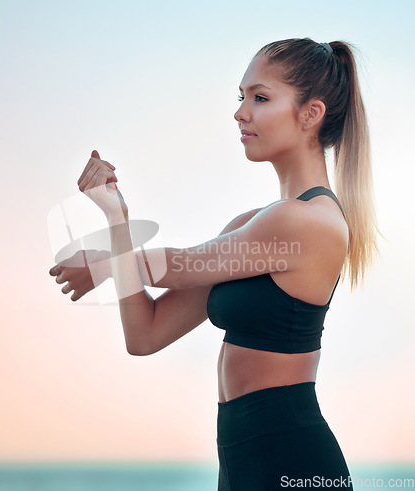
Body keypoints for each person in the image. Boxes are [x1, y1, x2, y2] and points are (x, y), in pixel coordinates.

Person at [49, 38, 378, 489]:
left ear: (310, 114)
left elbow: (179, 264)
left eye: (260, 98)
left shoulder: (306, 221)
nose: (241, 112)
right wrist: (116, 217)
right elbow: (145, 334)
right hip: (240, 463)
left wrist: (106, 262)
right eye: (241, 97)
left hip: (293, 460)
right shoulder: (252, 224)